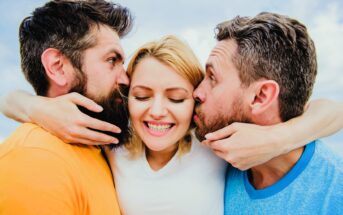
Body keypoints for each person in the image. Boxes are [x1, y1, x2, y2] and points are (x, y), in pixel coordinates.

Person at [1, 7, 343, 215]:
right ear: (127, 97)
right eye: (141, 95)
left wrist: (276, 138)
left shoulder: (212, 144)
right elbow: (7, 100)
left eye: (179, 98)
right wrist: (37, 107)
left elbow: (333, 110)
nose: (158, 111)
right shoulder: (114, 140)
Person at [192, 12, 343, 214]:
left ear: (261, 96)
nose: (197, 92)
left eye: (212, 77)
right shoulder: (215, 159)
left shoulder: (334, 195)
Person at [0, 0, 133, 214]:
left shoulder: (101, 148)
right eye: (111, 60)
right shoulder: (36, 161)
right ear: (57, 67)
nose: (126, 79)